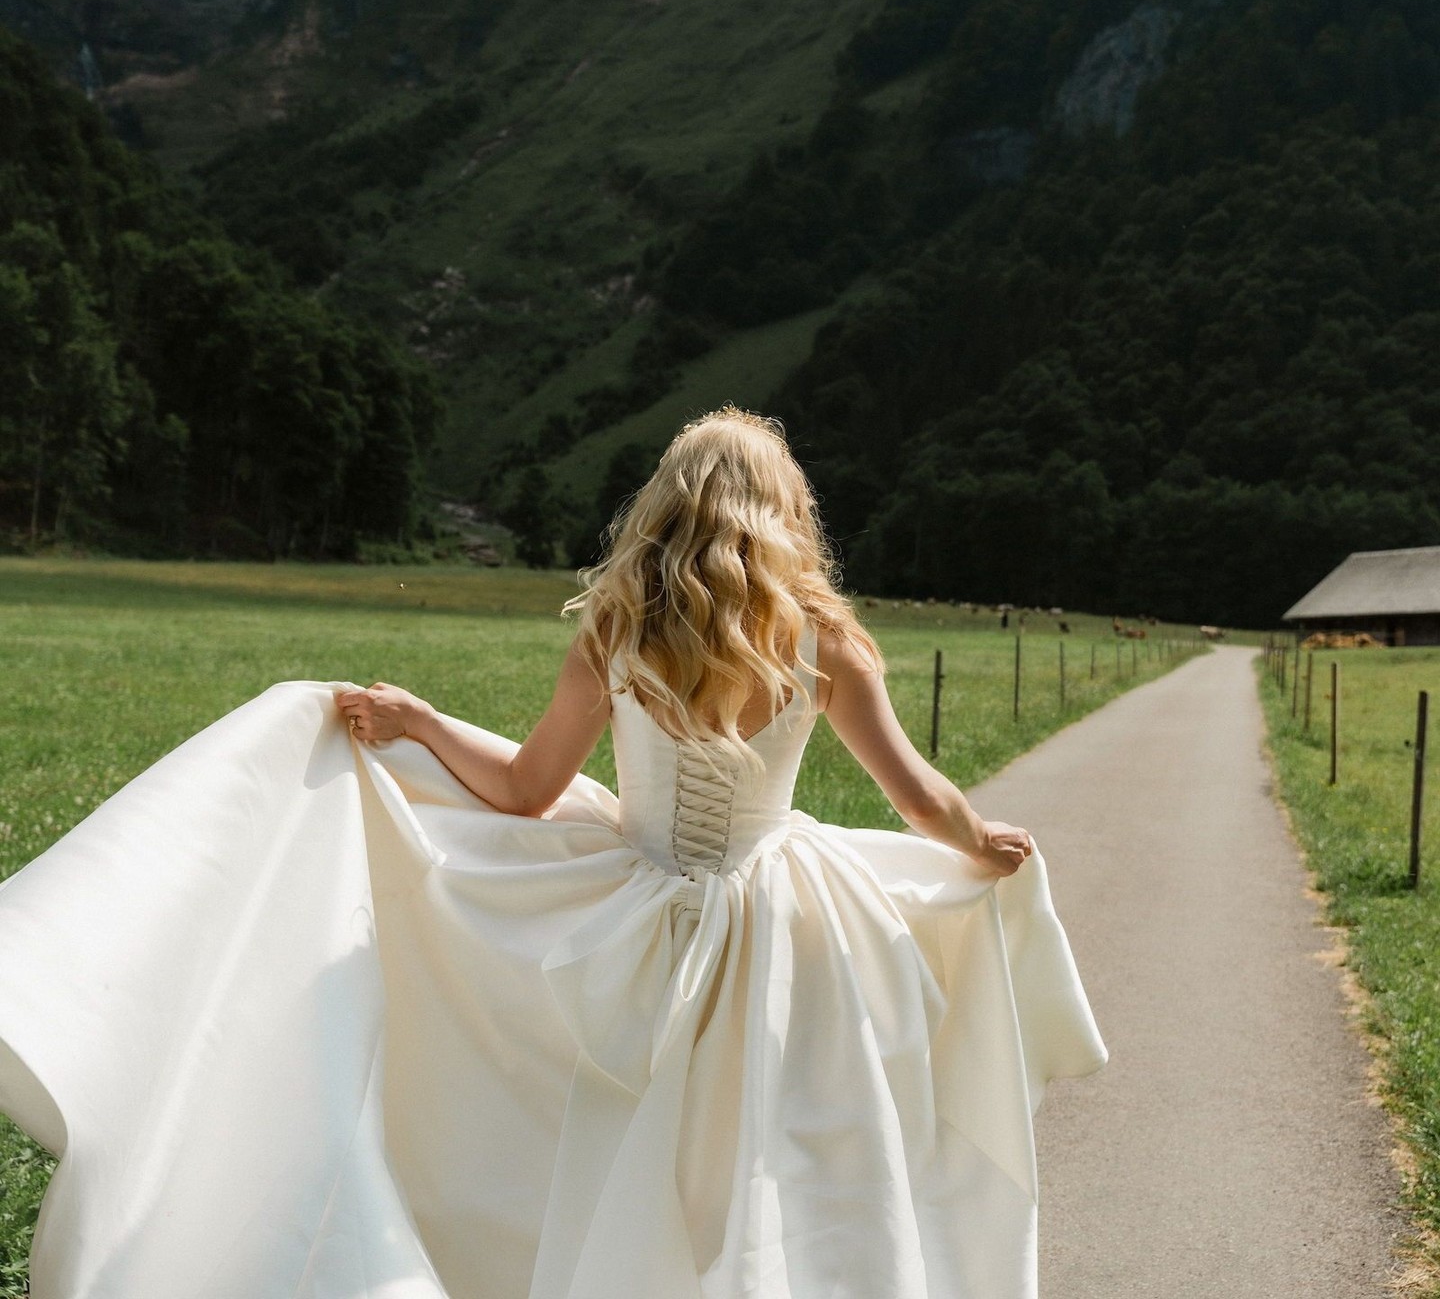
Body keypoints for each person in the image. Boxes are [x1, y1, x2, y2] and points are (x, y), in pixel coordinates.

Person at [0, 406, 1106, 1299]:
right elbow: (917, 797)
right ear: (786, 516)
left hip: (634, 906)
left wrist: (426, 725)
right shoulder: (825, 645)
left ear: (666, 507)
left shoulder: (618, 631)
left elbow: (528, 790)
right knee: (793, 1141)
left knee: (622, 1130)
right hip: (785, 920)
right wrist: (982, 840)